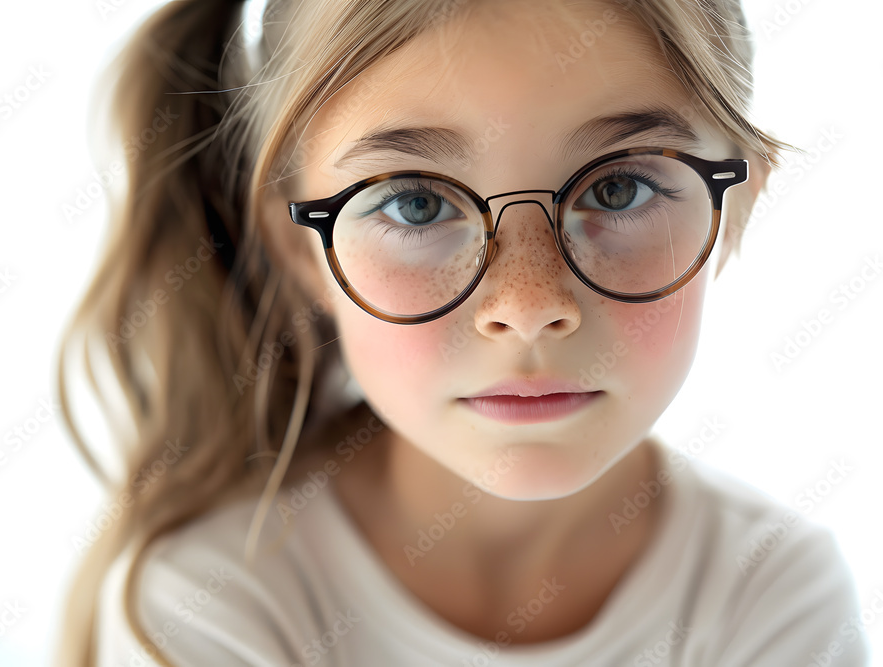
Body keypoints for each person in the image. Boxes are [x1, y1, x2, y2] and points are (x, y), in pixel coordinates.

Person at [55, 0, 869, 665]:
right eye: (417, 202)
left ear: (734, 210)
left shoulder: (774, 593)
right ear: (297, 248)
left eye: (619, 188)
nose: (526, 303)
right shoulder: (213, 601)